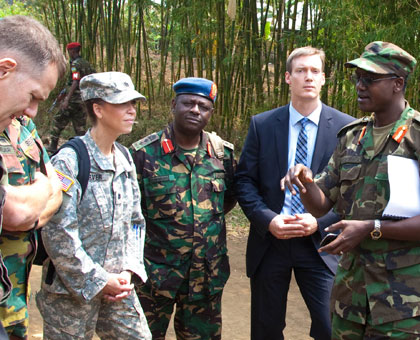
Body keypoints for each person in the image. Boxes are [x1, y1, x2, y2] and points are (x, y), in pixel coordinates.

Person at [281, 42, 420, 339]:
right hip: (350, 297)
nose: (360, 86)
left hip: (402, 302)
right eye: (358, 78)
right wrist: (305, 181)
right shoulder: (352, 137)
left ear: (398, 84)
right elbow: (320, 205)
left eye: (370, 79)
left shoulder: (416, 138)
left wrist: (372, 228)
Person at [235, 46, 354, 340]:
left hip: (321, 244)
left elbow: (353, 192)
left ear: (324, 78)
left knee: (331, 327)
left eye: (315, 71)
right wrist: (267, 219)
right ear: (288, 78)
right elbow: (244, 181)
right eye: (300, 71)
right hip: (271, 240)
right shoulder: (262, 124)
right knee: (266, 329)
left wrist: (321, 221)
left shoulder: (347, 128)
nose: (308, 77)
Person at [36, 71, 151, 340]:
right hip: (71, 294)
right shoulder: (69, 161)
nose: (131, 110)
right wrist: (99, 281)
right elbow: (59, 234)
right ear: (98, 109)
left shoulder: (124, 157)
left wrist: (129, 269)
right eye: (123, 104)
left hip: (117, 288)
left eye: (133, 104)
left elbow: (136, 222)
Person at [130, 77, 236, 340]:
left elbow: (228, 200)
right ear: (173, 105)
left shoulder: (222, 155)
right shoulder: (144, 154)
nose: (195, 110)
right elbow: (130, 215)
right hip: (154, 277)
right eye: (188, 103)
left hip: (205, 278)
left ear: (210, 112)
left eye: (204, 106)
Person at [0, 15, 67, 340]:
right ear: (4, 69)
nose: (33, 112)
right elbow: (16, 212)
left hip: (14, 292)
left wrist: (42, 193)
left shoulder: (20, 126)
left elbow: (57, 188)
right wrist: (44, 191)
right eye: (34, 96)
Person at [48, 41, 95, 153]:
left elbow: (75, 81)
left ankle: (53, 146)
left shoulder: (75, 65)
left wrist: (67, 99)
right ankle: (84, 150)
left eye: (69, 51)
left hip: (73, 100)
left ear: (73, 51)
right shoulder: (86, 64)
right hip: (83, 100)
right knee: (80, 126)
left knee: (58, 120)